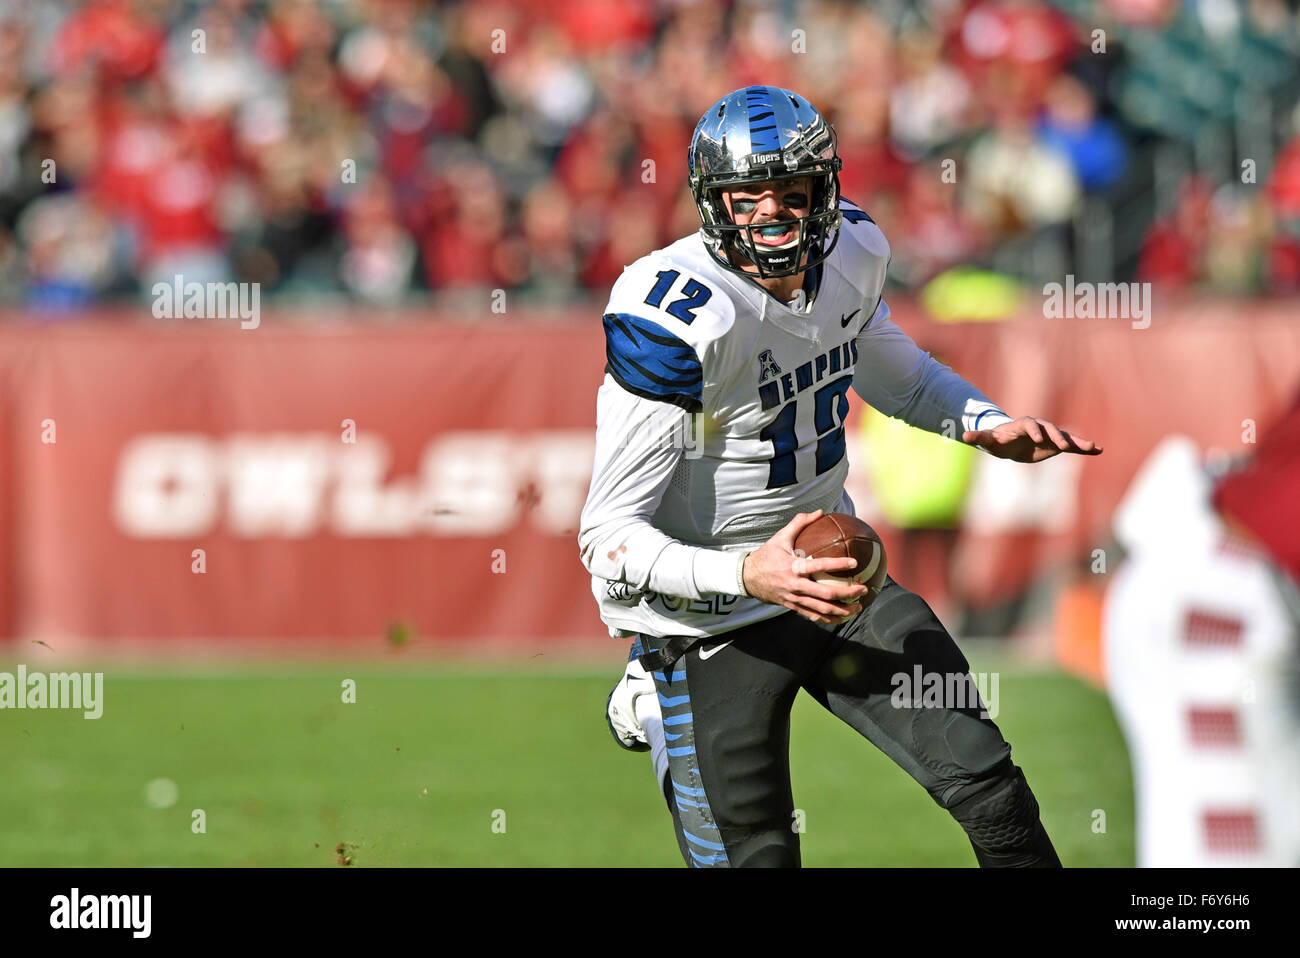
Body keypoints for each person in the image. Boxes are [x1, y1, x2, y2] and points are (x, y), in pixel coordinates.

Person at [577, 86, 1101, 868]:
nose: (772, 216)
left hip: (839, 576)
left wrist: (983, 421)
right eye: (746, 197)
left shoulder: (853, 252)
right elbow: (607, 542)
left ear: (827, 191)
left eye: (792, 194)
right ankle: (653, 687)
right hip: (709, 617)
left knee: (989, 784)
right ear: (710, 204)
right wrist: (749, 572)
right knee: (757, 854)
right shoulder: (680, 319)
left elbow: (899, 376)